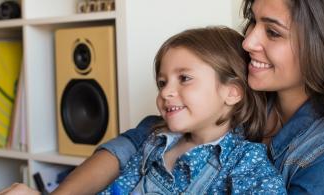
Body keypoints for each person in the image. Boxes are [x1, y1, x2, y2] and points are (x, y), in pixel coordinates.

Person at [0, 0, 324, 194]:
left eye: (273, 32)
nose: (248, 41)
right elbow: (137, 141)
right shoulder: (241, 96)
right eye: (252, 23)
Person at [99, 26, 285, 194]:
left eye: (184, 78)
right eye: (162, 83)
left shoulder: (245, 160)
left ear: (231, 92)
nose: (165, 92)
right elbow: (118, 189)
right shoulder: (156, 143)